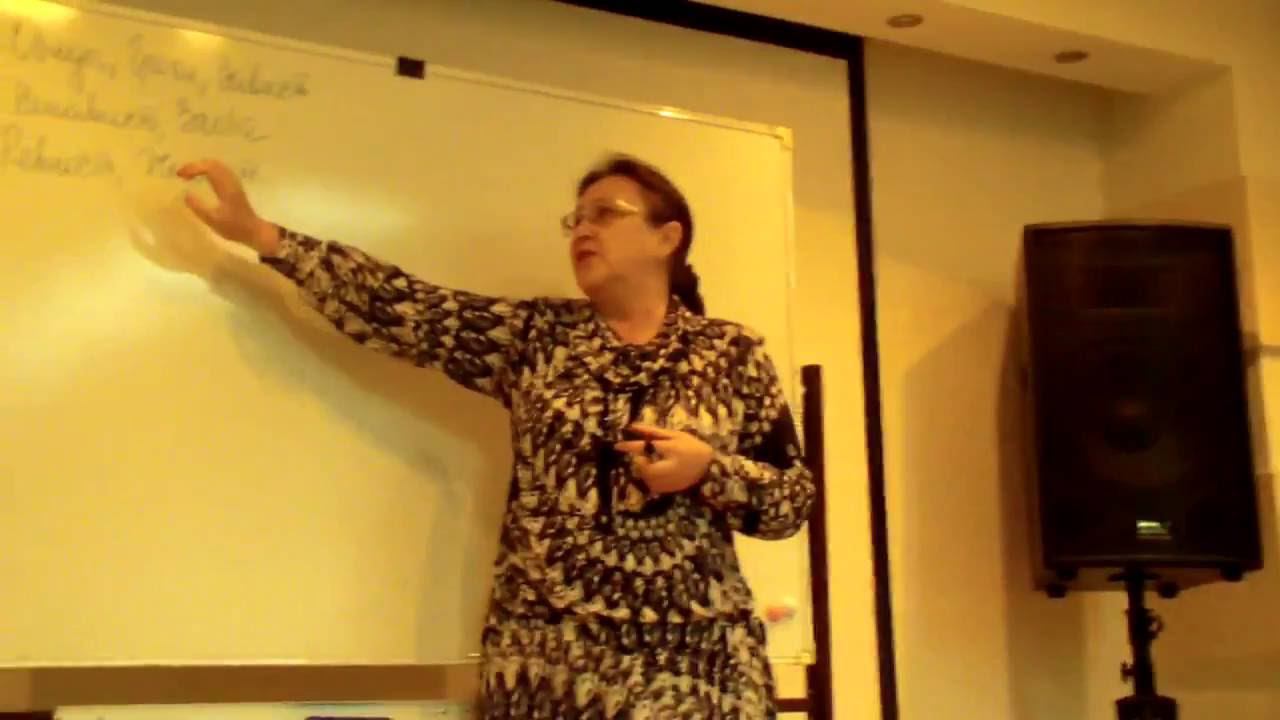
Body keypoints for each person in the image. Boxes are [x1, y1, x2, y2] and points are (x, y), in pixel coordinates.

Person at [177, 153, 816, 719]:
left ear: (666, 237)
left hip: (697, 667)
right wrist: (263, 236)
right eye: (575, 219)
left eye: (605, 213)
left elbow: (792, 499)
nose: (582, 230)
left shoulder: (730, 354)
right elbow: (405, 307)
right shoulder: (537, 337)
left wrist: (709, 472)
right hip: (549, 666)